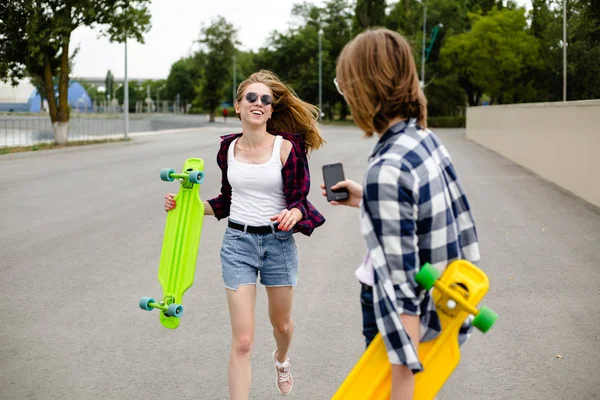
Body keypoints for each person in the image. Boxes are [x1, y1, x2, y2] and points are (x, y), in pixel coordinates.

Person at [322, 28, 481, 399]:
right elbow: (433, 216)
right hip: (441, 306)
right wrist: (368, 199)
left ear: (363, 89)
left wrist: (402, 390)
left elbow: (402, 295)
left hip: (400, 320)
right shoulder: (423, 138)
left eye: (344, 86)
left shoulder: (388, 169)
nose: (344, 97)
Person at [165, 70, 325, 399]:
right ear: (238, 107)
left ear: (270, 110)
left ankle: (281, 359)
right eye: (251, 98)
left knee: (282, 326)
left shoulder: (287, 149)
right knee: (243, 341)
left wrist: (294, 213)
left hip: (278, 244)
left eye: (265, 99)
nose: (258, 103)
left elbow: (300, 200)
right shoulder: (228, 151)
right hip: (238, 244)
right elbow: (225, 201)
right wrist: (187, 204)